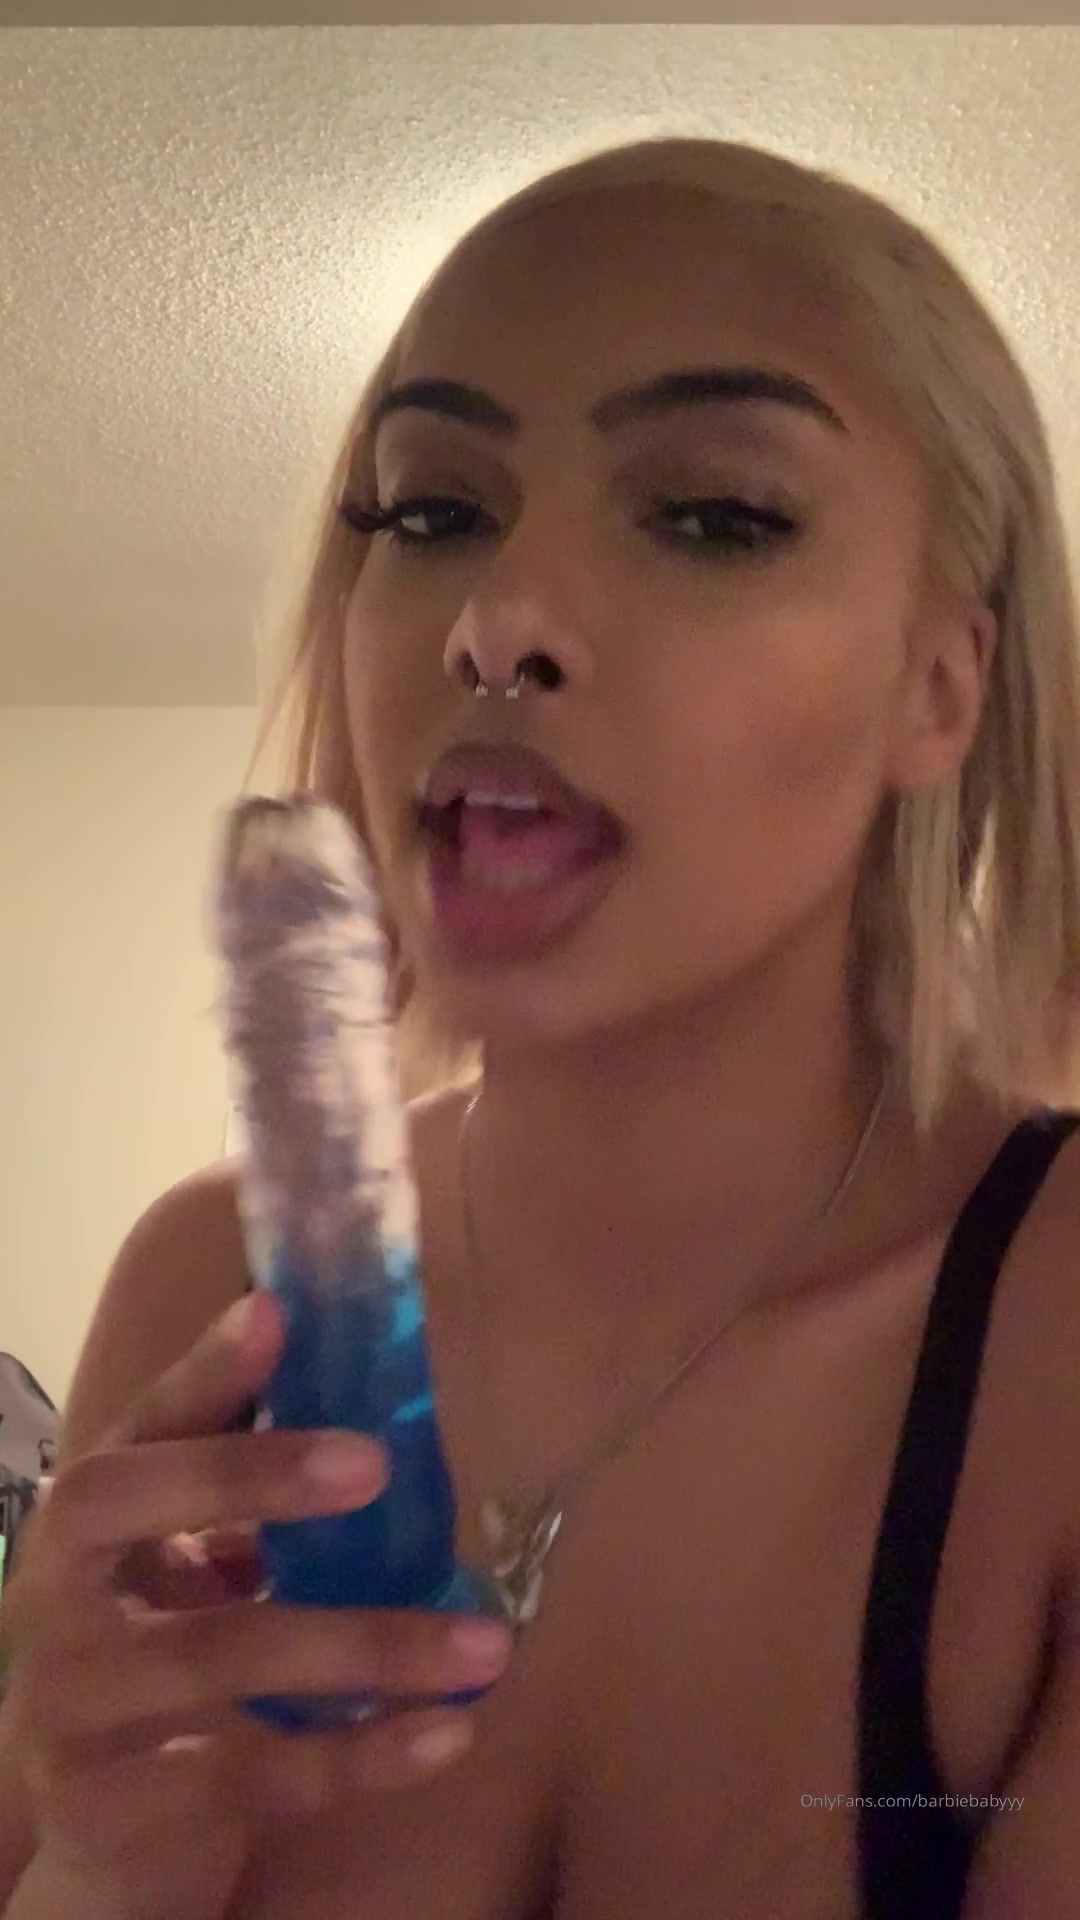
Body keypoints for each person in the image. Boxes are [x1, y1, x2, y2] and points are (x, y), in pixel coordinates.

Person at [1, 131, 1079, 1920]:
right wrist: (102, 1876)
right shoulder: (206, 1284)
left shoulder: (1055, 1329)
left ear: (939, 684)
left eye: (713, 515)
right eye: (432, 511)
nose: (498, 625)